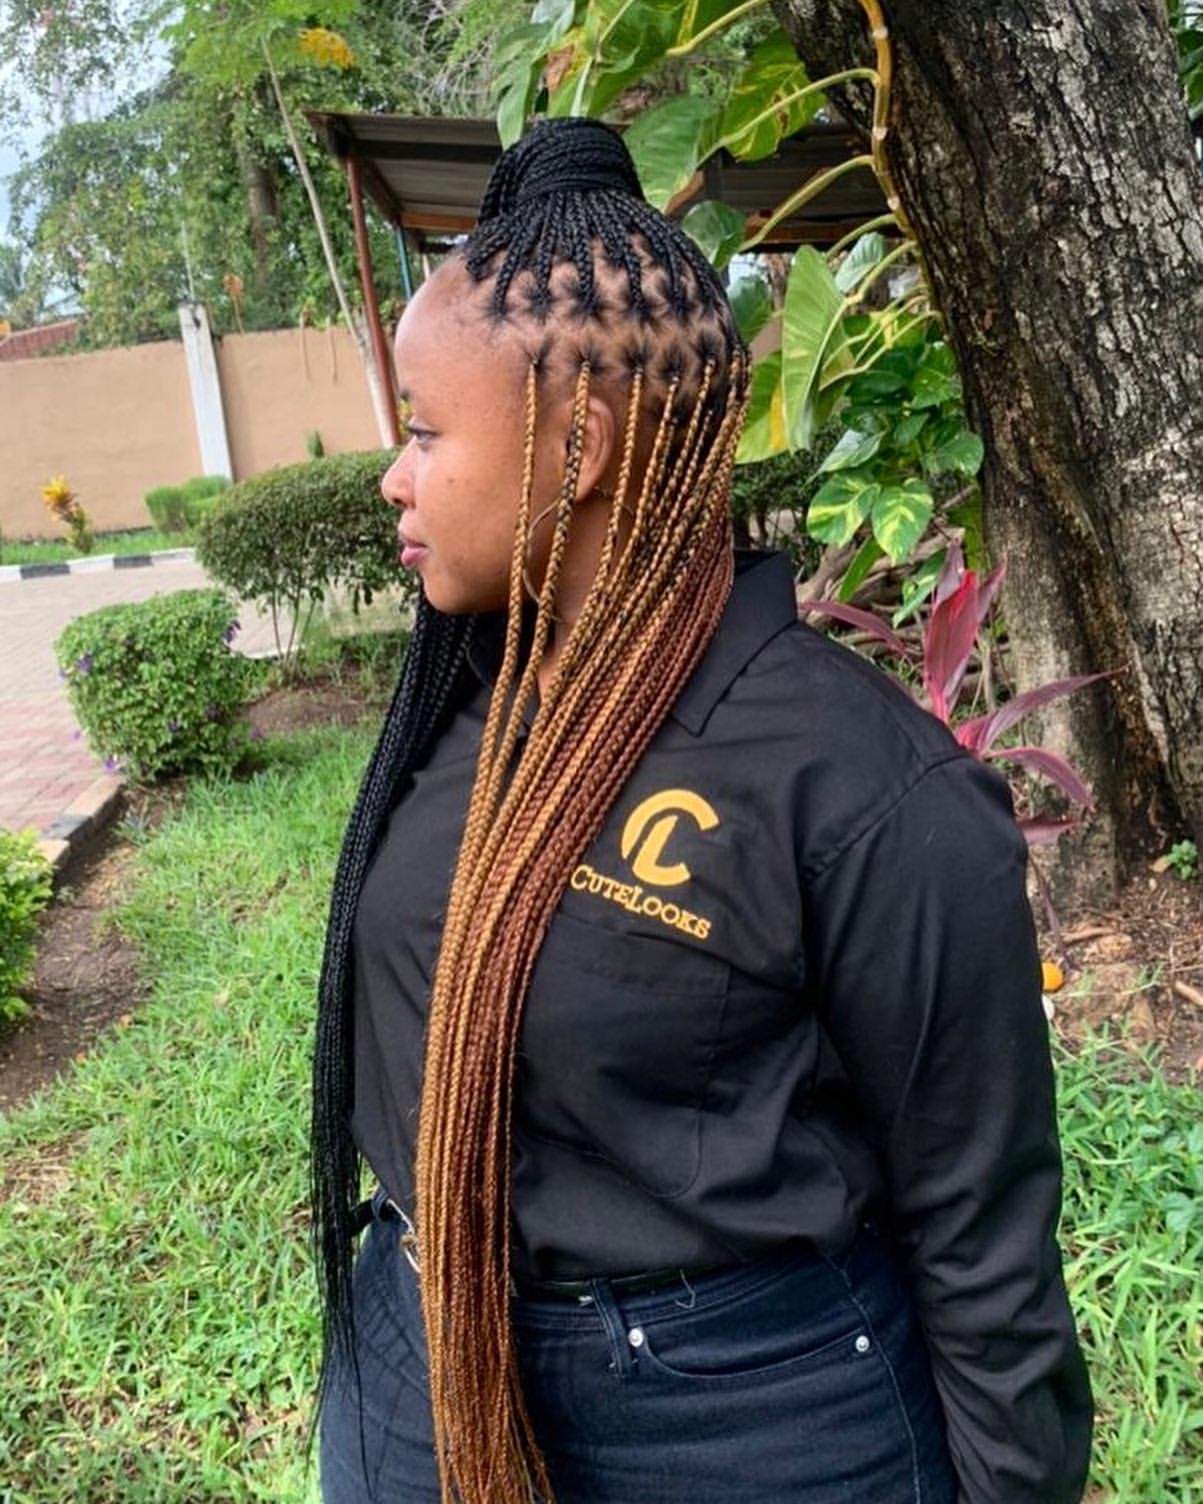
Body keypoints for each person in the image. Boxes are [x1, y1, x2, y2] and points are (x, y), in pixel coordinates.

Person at [311, 117, 1092, 1504]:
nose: (396, 474)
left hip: (738, 1416)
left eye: (425, 431)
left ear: (579, 446)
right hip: (416, 1358)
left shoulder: (869, 789)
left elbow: (982, 1230)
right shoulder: (470, 704)